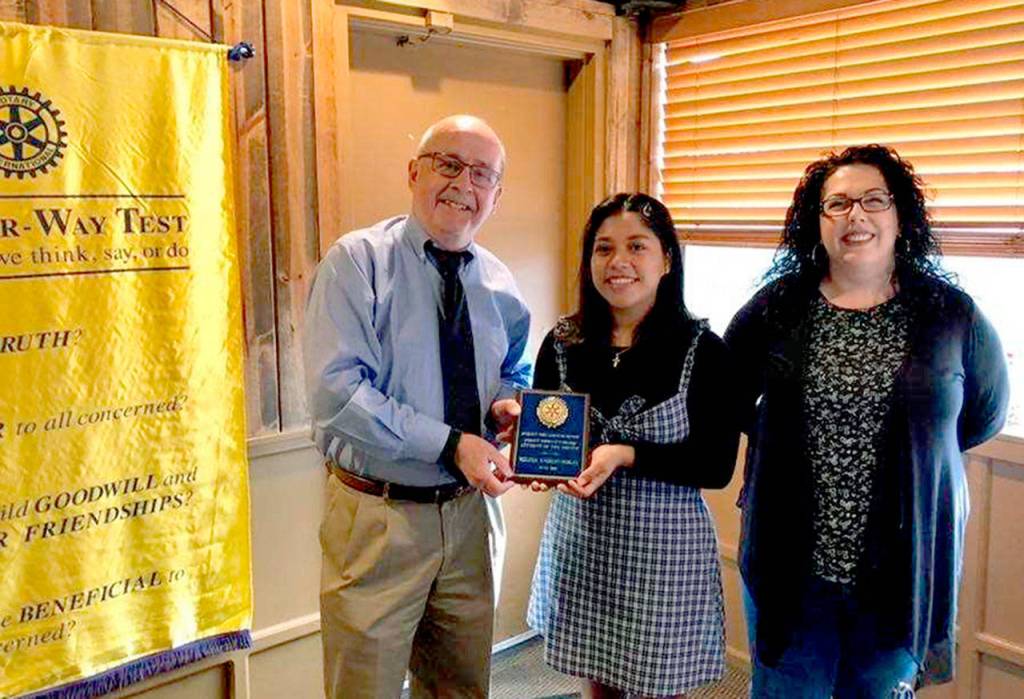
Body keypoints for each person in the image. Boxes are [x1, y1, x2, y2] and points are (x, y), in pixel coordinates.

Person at [724, 144, 1010, 696]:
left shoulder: (951, 315)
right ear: (817, 222)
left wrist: (919, 447)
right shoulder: (776, 308)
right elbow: (728, 394)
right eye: (837, 204)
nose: (856, 216)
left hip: (899, 575)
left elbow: (981, 414)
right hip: (791, 572)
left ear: (901, 217)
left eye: (874, 200)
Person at [303, 115, 531, 699]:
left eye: (482, 174)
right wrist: (452, 443)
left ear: (496, 196)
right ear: (414, 173)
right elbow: (338, 395)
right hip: (379, 517)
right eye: (447, 164)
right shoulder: (356, 262)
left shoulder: (500, 283)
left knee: (460, 686)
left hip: (468, 516)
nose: (463, 183)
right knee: (365, 687)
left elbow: (513, 369)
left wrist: (508, 403)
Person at [526, 193, 741, 699]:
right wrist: (529, 451)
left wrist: (626, 453)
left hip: (664, 549)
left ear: (666, 259)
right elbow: (547, 436)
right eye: (603, 249)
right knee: (597, 683)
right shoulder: (562, 342)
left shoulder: (704, 352)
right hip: (583, 540)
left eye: (636, 247)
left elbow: (715, 465)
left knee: (657, 689)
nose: (618, 262)